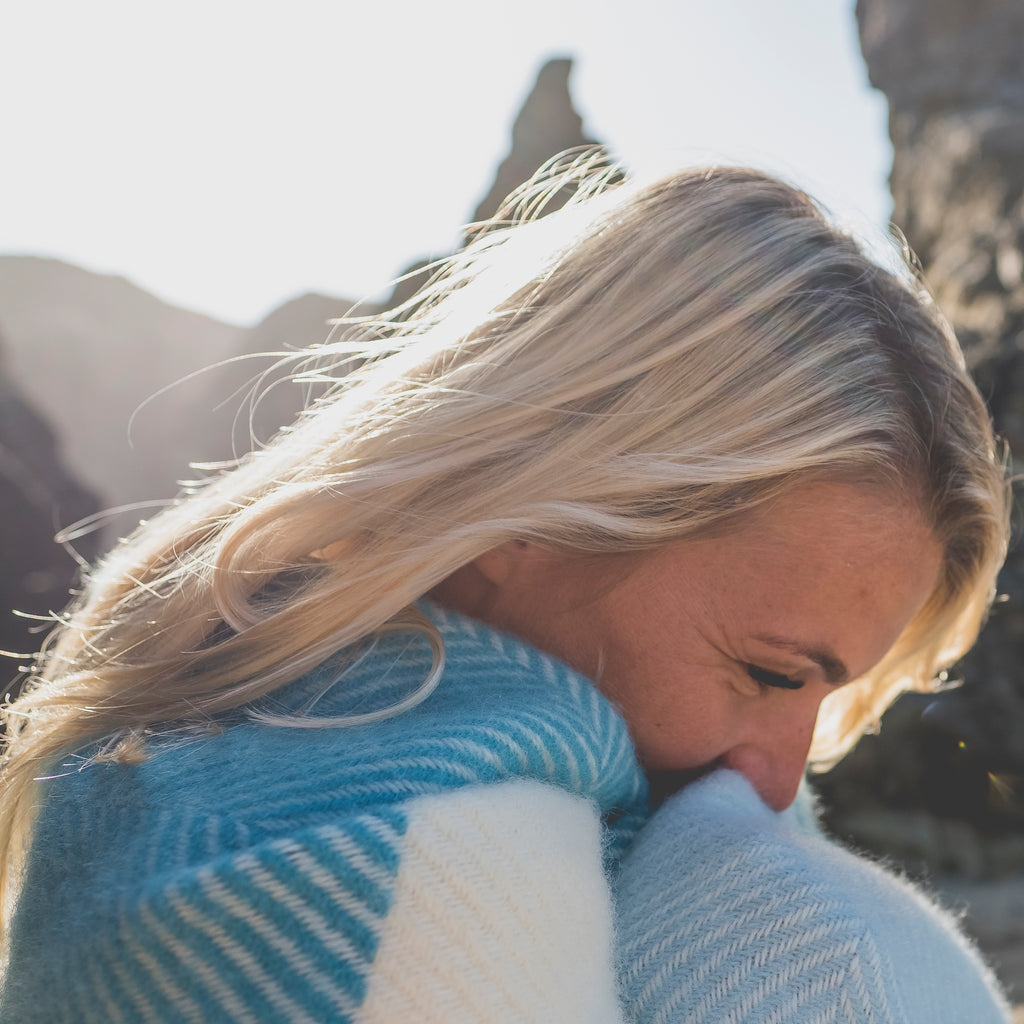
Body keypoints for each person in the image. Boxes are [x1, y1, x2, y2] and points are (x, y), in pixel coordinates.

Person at [0, 155, 1014, 1022]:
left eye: (826, 699)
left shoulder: (196, 777)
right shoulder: (378, 898)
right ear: (534, 505)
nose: (779, 781)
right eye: (767, 670)